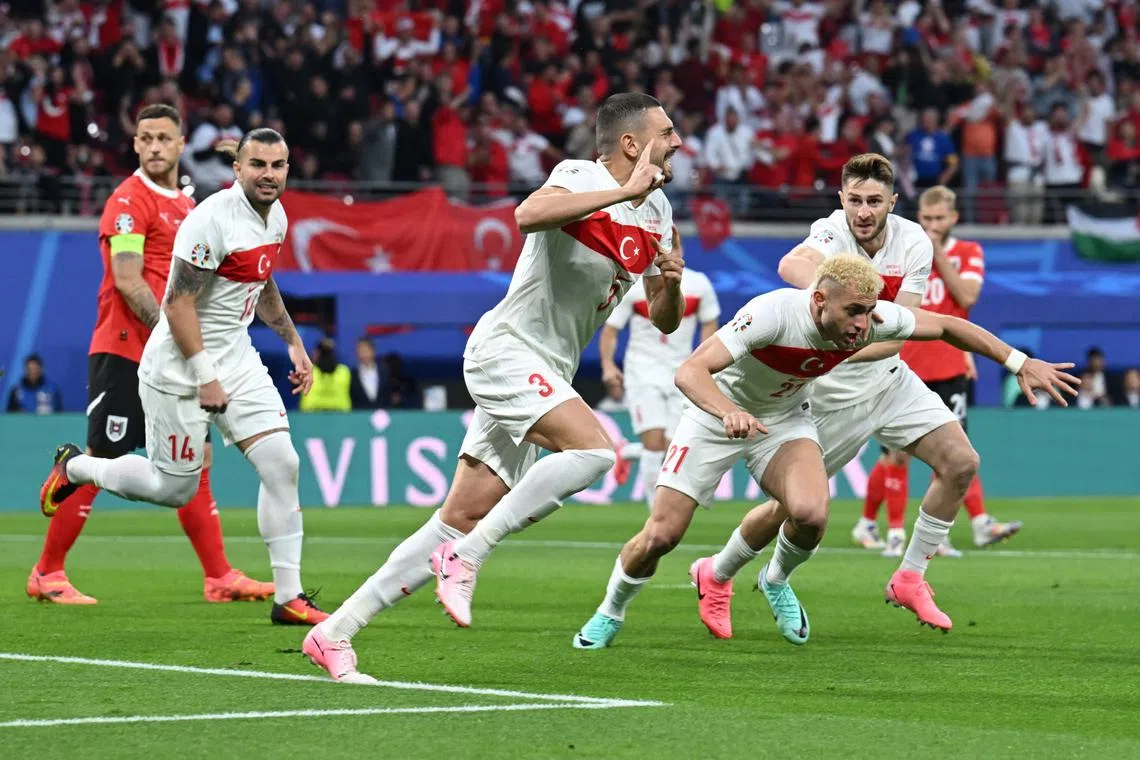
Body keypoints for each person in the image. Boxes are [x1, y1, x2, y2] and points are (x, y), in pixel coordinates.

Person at [302, 92, 685, 682]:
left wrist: (669, 282)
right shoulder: (583, 175)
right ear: (631, 144)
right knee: (593, 453)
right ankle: (469, 556)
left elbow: (662, 320)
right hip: (505, 351)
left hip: (545, 371)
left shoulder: (657, 214)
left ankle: (334, 632)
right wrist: (625, 191)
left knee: (455, 515)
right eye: (667, 132)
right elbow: (527, 215)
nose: (679, 141)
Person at [572, 256, 1076, 649]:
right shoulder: (770, 314)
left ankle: (777, 581)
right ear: (818, 302)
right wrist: (727, 411)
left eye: (867, 312)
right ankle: (611, 611)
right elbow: (690, 372)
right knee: (662, 534)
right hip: (713, 414)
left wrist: (1018, 360)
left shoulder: (871, 319)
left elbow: (947, 325)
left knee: (811, 513)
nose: (862, 324)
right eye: (852, 311)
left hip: (784, 418)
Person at [692, 153, 1071, 636]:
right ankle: (721, 572)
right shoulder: (831, 232)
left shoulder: (914, 242)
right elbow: (793, 261)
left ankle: (910, 576)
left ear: (893, 202)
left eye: (875, 201)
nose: (864, 211)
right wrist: (836, 292)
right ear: (842, 200)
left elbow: (900, 335)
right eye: (855, 200)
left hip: (891, 381)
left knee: (961, 462)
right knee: (794, 509)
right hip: (826, 396)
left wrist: (1019, 361)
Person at [39, 128, 327, 626]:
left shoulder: (275, 217)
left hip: (236, 358)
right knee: (175, 489)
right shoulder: (211, 219)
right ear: (237, 169)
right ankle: (78, 468)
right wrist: (203, 376)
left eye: (278, 166)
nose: (268, 174)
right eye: (257, 164)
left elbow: (262, 280)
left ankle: (289, 597)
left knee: (283, 462)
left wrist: (293, 341)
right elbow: (177, 303)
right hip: (177, 366)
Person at [858, 186, 1022, 558]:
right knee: (896, 455)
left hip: (949, 366)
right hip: (904, 365)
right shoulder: (903, 251)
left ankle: (940, 533)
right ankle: (894, 532)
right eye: (927, 219)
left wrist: (937, 254)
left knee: (951, 453)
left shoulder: (967, 253)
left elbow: (966, 297)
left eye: (939, 219)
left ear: (953, 218)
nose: (932, 226)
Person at [601, 267, 720, 508]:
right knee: (653, 444)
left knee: (672, 446)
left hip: (682, 372)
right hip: (642, 371)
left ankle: (627, 452)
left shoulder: (699, 283)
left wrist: (706, 364)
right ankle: (656, 512)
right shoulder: (634, 285)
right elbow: (611, 330)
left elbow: (710, 325)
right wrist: (607, 365)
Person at [300, 337, 351, 412]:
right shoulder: (344, 371)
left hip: (314, 416)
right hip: (336, 416)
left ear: (316, 354)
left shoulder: (307, 372)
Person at [349, 337, 384, 410]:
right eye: (359, 350)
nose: (362, 353)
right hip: (359, 415)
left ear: (373, 351)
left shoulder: (384, 371)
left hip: (382, 416)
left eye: (365, 350)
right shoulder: (352, 374)